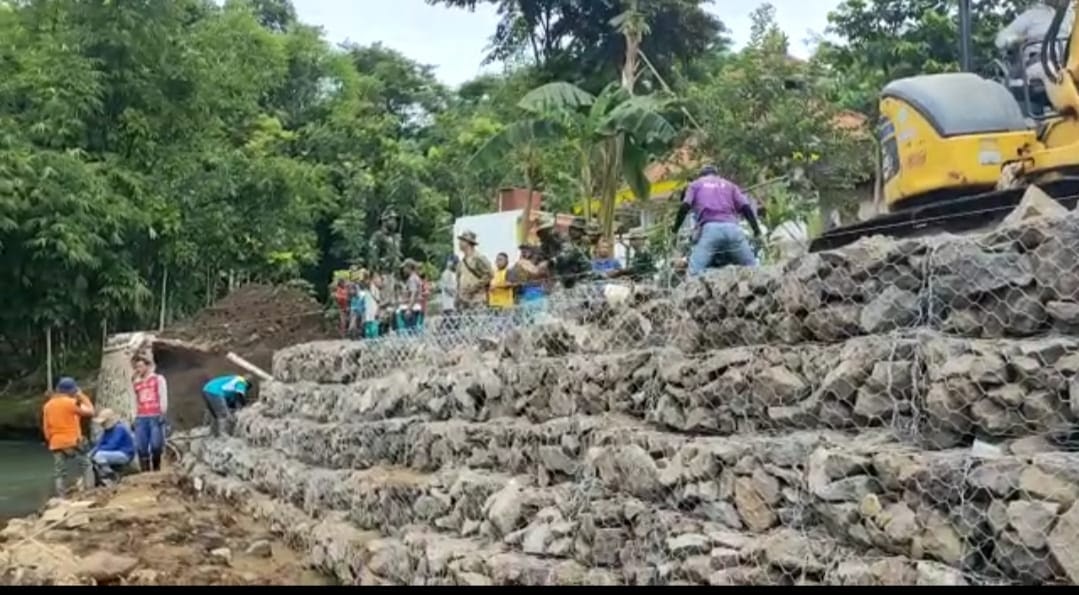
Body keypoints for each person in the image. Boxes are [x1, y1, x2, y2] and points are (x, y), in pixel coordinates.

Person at [673, 164, 762, 276]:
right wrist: (756, 230)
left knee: (693, 274)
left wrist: (675, 230)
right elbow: (746, 208)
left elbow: (685, 206)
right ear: (717, 175)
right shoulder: (730, 185)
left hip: (711, 230)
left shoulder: (695, 185)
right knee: (754, 271)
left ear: (701, 175)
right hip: (733, 230)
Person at [42, 377, 94, 497]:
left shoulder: (48, 405)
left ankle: (61, 496)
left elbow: (46, 428)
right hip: (73, 441)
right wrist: (81, 396)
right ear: (71, 390)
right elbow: (90, 411)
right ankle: (89, 491)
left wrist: (50, 440)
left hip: (56, 442)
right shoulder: (71, 403)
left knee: (59, 472)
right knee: (86, 465)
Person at [131, 355, 168, 472]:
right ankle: (145, 472)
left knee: (156, 445)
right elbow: (134, 400)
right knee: (141, 446)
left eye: (140, 366)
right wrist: (134, 415)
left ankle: (156, 468)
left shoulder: (158, 379)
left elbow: (163, 395)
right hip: (141, 416)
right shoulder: (136, 383)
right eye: (136, 367)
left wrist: (163, 411)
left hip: (155, 415)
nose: (138, 369)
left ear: (147, 366)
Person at [89, 408, 135, 485]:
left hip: (125, 454)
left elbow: (112, 446)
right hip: (114, 454)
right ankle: (102, 478)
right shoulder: (107, 432)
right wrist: (91, 453)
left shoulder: (120, 429)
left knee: (99, 455)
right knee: (94, 456)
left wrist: (96, 451)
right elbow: (99, 444)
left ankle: (111, 475)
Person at [456, 230, 492, 312]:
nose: (460, 243)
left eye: (462, 240)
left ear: (468, 243)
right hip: (464, 300)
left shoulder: (478, 258)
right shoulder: (462, 262)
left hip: (477, 299)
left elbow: (489, 274)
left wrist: (474, 287)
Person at [438, 255, 458, 332]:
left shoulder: (453, 274)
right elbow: (447, 288)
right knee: (450, 323)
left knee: (449, 323)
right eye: (454, 263)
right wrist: (455, 295)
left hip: (451, 304)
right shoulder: (446, 273)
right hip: (449, 303)